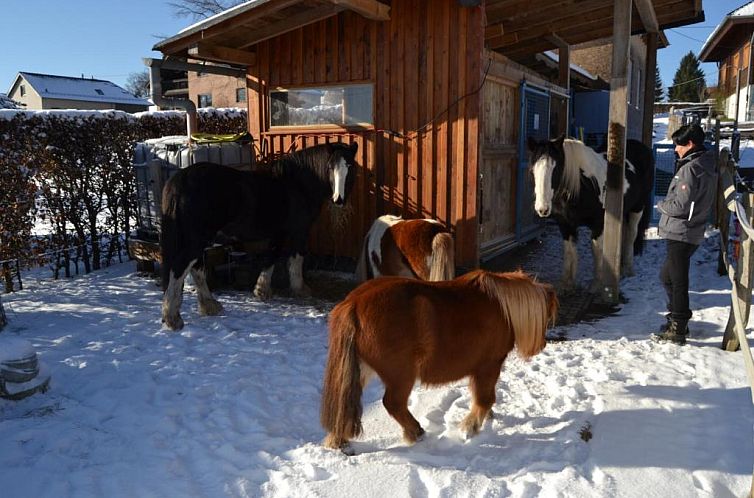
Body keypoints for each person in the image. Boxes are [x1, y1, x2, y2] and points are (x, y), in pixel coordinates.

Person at [654, 124, 717, 345]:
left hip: (680, 232)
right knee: (667, 277)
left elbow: (681, 206)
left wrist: (661, 205)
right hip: (690, 230)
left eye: (678, 145)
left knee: (678, 280)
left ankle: (678, 327)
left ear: (690, 144)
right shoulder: (705, 164)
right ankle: (676, 318)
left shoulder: (690, 169)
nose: (676, 150)